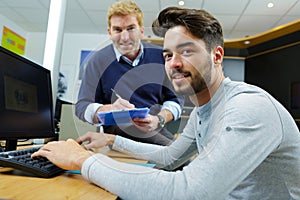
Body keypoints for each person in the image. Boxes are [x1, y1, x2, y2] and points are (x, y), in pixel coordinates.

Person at [32, 7, 300, 200]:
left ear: (217, 55)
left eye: (186, 51)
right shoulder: (203, 110)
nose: (173, 63)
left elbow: (190, 191)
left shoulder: (247, 108)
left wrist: (83, 161)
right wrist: (112, 141)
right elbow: (169, 158)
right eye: (168, 55)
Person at [75, 0, 183, 146]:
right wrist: (110, 109)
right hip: (115, 137)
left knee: (180, 158)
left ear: (141, 30)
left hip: (154, 130)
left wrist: (159, 119)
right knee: (175, 155)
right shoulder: (97, 61)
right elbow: (82, 107)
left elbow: (176, 101)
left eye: (131, 28)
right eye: (118, 30)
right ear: (110, 32)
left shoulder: (162, 57)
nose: (124, 37)